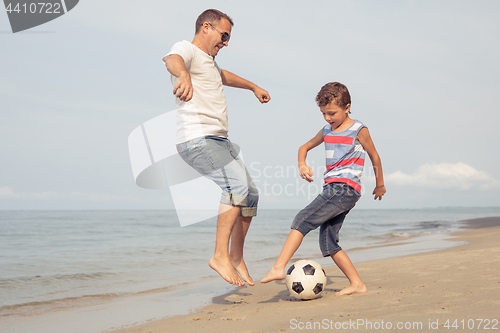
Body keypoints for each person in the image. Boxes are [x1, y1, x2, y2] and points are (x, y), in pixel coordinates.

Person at [162, 9, 270, 287]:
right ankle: (219, 256)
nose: (225, 42)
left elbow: (224, 77)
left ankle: (236, 257)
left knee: (251, 194)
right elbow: (172, 60)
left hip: (219, 140)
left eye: (228, 39)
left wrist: (253, 86)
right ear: (206, 27)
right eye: (224, 36)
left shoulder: (208, 63)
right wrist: (183, 75)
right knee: (236, 186)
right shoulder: (186, 50)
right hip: (197, 139)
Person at [260, 82, 385, 296]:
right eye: (323, 113)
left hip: (343, 188)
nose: (328, 118)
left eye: (332, 113)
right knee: (328, 242)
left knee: (302, 220)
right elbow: (304, 147)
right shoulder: (327, 130)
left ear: (347, 107)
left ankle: (279, 266)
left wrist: (380, 184)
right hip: (337, 189)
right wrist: (302, 164)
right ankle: (357, 284)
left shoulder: (358, 129)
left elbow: (374, 155)